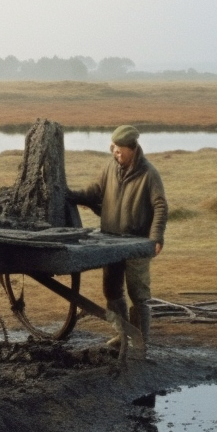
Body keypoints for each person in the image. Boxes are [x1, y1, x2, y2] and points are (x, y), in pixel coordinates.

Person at [67, 125, 167, 359]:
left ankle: (140, 343)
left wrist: (156, 238)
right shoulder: (110, 167)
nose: (116, 154)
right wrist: (72, 194)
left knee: (139, 294)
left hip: (137, 244)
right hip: (110, 241)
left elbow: (160, 206)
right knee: (111, 291)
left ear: (133, 149)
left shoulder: (149, 174)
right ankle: (123, 334)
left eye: (121, 151)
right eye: (114, 149)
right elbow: (95, 191)